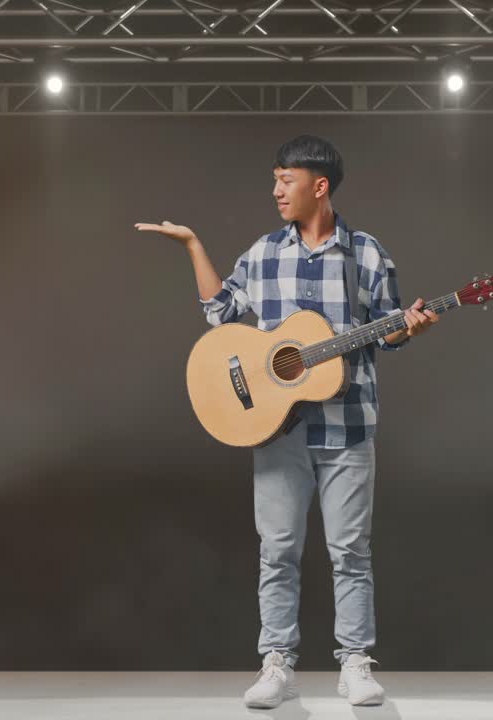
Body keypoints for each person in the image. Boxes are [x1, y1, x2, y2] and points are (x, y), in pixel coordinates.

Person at [135, 134, 438, 708]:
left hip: (348, 429)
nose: (276, 190)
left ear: (319, 186)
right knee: (277, 551)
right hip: (278, 429)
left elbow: (389, 331)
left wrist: (409, 327)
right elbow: (220, 312)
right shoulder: (263, 253)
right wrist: (193, 244)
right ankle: (277, 663)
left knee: (351, 552)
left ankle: (355, 663)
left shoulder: (366, 254)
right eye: (274, 179)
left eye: (286, 180)